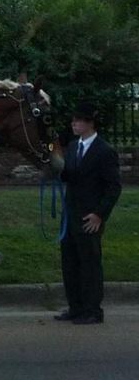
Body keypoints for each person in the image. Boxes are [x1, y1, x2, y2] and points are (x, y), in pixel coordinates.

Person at [54, 100, 122, 325]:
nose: (73, 124)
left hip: (89, 216)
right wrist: (54, 162)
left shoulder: (104, 151)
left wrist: (99, 214)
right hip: (70, 215)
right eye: (73, 121)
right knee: (70, 262)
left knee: (89, 264)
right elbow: (69, 175)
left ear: (90, 123)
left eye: (78, 121)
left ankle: (92, 309)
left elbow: (113, 187)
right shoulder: (74, 147)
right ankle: (75, 307)